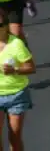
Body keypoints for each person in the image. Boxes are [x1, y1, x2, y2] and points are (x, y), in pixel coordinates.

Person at [0, 8, 34, 151]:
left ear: (6, 25)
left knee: (14, 136)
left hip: (17, 94)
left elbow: (31, 67)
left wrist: (14, 70)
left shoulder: (16, 44)